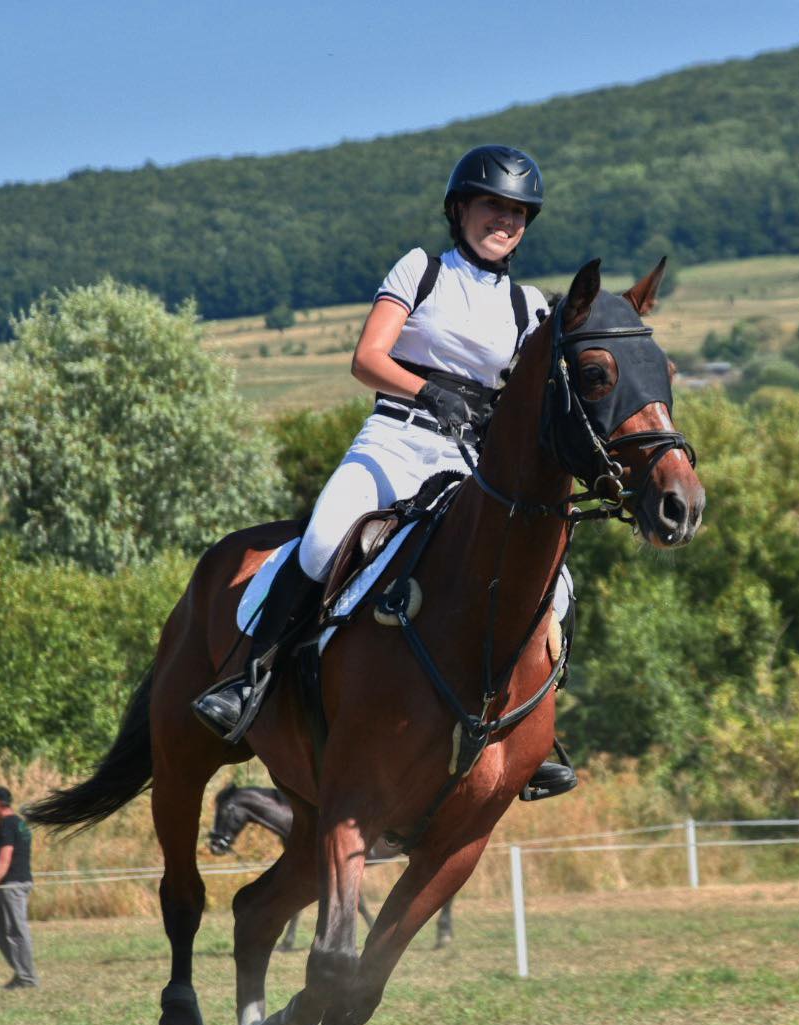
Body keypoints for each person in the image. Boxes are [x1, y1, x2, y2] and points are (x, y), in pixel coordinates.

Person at [194, 144, 576, 800]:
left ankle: (530, 729)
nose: (505, 220)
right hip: (396, 442)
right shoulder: (424, 270)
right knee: (321, 542)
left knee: (557, 585)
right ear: (460, 210)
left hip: (469, 462)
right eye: (493, 206)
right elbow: (367, 358)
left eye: (518, 212)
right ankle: (251, 678)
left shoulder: (530, 306)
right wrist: (426, 391)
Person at [0, 785, 39, 989]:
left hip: (12, 885)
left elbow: (5, 858)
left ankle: (27, 978)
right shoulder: (20, 824)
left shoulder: (7, 825)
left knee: (16, 931)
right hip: (19, 881)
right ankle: (21, 971)